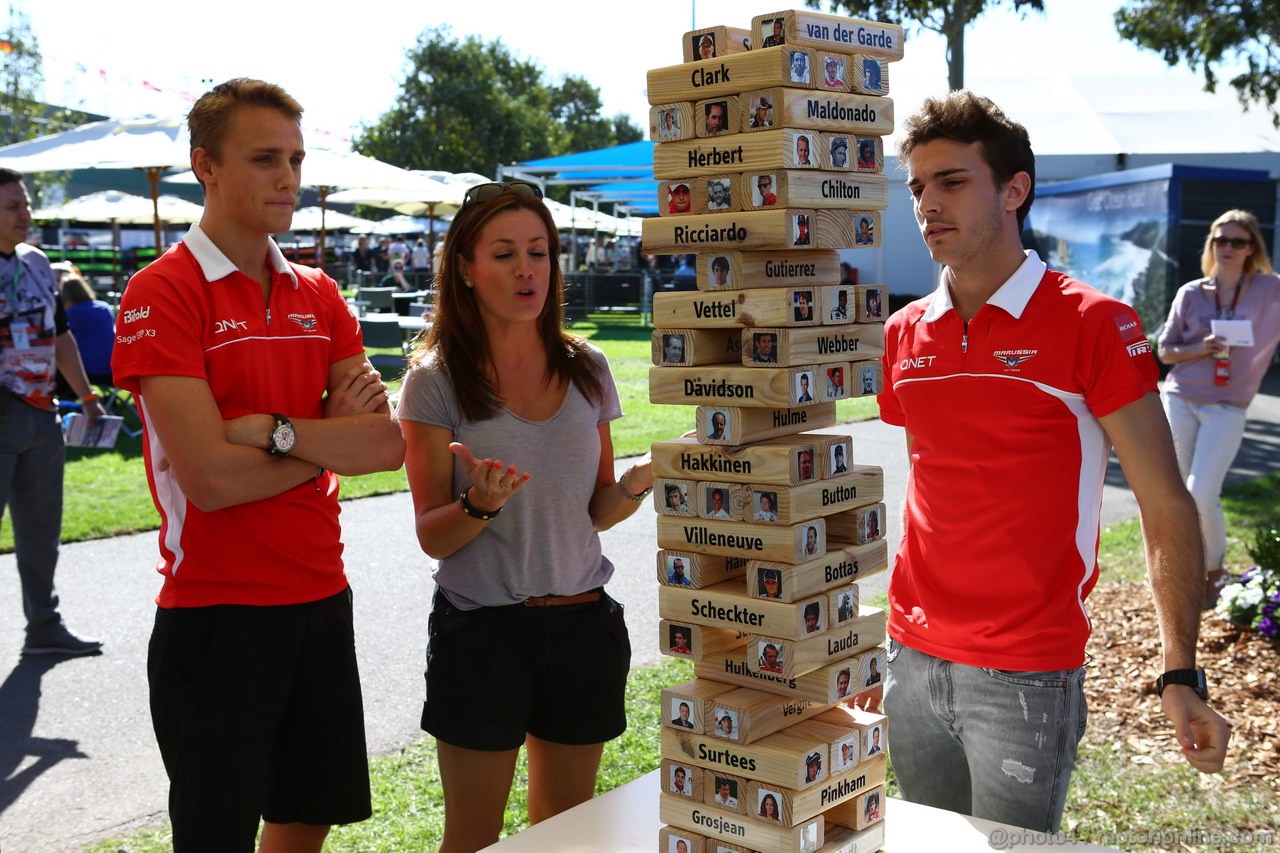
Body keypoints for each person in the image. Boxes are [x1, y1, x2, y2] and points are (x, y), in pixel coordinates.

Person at [874, 90, 1229, 833]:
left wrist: (1179, 670)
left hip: (1024, 674)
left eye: (952, 181)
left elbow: (1165, 504)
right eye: (917, 187)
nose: (927, 205)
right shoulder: (904, 331)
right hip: (908, 656)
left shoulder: (1094, 323)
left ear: (1014, 189)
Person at [111, 79, 407, 850]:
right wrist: (321, 437)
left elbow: (383, 446)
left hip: (320, 596)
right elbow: (208, 482)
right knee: (215, 837)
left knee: (306, 817)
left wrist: (273, 433)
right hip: (215, 612)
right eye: (265, 158)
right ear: (205, 165)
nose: (288, 178)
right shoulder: (161, 292)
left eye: (297, 159)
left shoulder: (319, 290)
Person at [396, 176, 654, 852]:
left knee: (567, 837)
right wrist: (478, 504)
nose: (526, 269)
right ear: (466, 267)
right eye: (504, 252)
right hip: (483, 634)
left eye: (538, 252)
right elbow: (431, 532)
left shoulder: (588, 367)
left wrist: (638, 481)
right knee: (475, 838)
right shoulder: (435, 378)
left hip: (582, 627)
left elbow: (595, 511)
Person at [0, 168, 105, 658]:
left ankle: (43, 626)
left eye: (25, 203)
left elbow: (60, 336)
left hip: (43, 415)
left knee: (41, 533)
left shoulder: (39, 263)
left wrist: (86, 395)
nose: (26, 214)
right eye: (13, 207)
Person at [1157, 209, 1280, 607]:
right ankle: (1179, 568)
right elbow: (1165, 351)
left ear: (1251, 248)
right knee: (1174, 492)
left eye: (1238, 241)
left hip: (1227, 407)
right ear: (1211, 245)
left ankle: (1214, 569)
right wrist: (1203, 347)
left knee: (1201, 492)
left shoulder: (1269, 291)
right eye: (1220, 240)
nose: (1228, 248)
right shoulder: (1192, 292)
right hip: (1180, 398)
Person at [57, 273, 116, 397]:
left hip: (89, 370)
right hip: (112, 368)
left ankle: (68, 402)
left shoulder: (70, 314)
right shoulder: (104, 308)